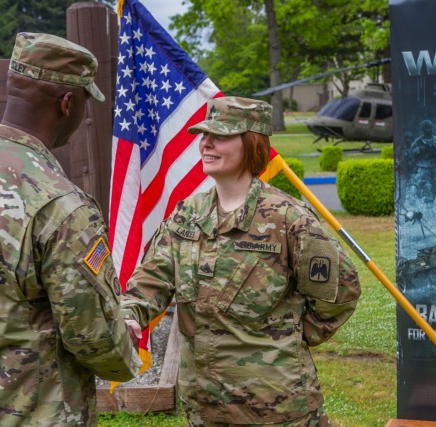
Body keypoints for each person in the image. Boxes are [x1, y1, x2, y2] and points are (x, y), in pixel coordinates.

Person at [0, 32, 141, 426]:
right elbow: (91, 335)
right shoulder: (61, 204)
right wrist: (125, 346)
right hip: (40, 412)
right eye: (85, 102)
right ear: (68, 103)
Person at [121, 97, 361, 426]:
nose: (206, 143)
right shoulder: (187, 214)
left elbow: (341, 291)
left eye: (220, 136)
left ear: (251, 144)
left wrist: (291, 338)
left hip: (275, 408)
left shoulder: (288, 218)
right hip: (204, 408)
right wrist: (130, 314)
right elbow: (151, 282)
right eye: (204, 135)